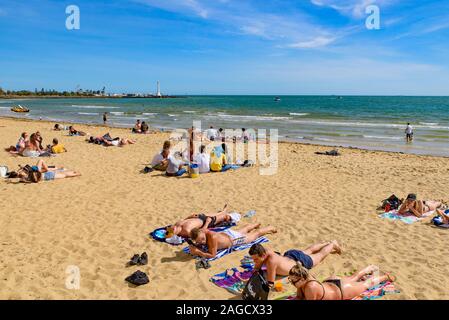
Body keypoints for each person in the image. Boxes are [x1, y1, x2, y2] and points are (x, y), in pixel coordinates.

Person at [249, 242, 341, 287]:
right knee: (309, 251)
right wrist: (257, 265)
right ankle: (325, 243)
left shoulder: (271, 262)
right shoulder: (265, 251)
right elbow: (256, 268)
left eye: (256, 259)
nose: (255, 261)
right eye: (253, 259)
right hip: (290, 255)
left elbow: (270, 283)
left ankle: (332, 244)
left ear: (263, 254)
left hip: (299, 263)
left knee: (319, 256)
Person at [288, 264, 395, 300]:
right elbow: (299, 297)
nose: (292, 283)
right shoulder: (304, 279)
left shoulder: (311, 287)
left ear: (302, 279)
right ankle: (369, 268)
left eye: (293, 281)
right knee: (354, 277)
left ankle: (385, 277)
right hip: (332, 282)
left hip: (341, 290)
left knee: (366, 284)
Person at [188, 223, 277, 259]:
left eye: (203, 239)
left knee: (254, 235)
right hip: (227, 234)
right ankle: (252, 225)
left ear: (203, 233)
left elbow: (212, 255)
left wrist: (198, 252)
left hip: (232, 240)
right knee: (240, 232)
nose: (202, 242)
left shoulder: (212, 237)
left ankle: (269, 228)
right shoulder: (203, 232)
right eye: (199, 241)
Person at [166, 205, 238, 239]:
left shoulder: (176, 224)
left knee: (218, 213)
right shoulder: (186, 231)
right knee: (224, 216)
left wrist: (190, 216)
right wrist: (207, 222)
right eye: (170, 231)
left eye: (169, 229)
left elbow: (185, 220)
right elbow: (201, 232)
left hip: (199, 217)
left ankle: (222, 211)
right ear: (174, 235)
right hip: (205, 221)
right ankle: (225, 214)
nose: (170, 228)